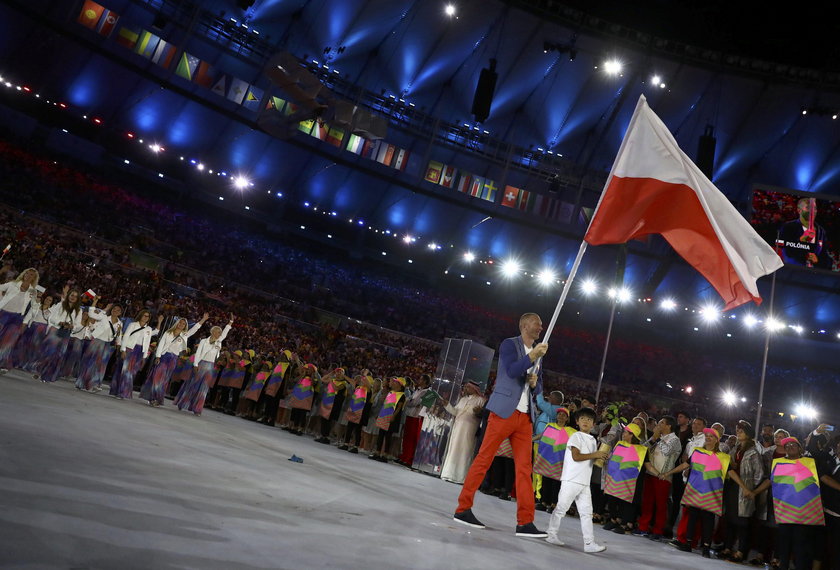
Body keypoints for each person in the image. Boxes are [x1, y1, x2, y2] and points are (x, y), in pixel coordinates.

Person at [453, 312, 549, 538]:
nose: (541, 328)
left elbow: (539, 387)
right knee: (484, 459)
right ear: (525, 325)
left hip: (525, 418)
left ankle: (525, 522)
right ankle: (462, 508)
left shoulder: (539, 355)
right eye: (538, 324)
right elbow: (512, 371)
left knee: (525, 470)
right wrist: (532, 355)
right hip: (503, 412)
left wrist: (535, 384)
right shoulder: (509, 345)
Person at [751, 437, 825, 570]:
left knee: (801, 545)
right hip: (785, 511)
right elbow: (770, 481)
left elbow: (818, 456)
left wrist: (816, 434)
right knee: (784, 544)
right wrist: (754, 492)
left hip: (804, 514)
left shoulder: (810, 463)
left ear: (800, 448)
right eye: (787, 445)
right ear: (784, 449)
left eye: (793, 444)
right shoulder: (778, 464)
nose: (790, 447)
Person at [544, 407, 609, 553]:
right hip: (571, 479)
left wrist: (600, 458)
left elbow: (590, 459)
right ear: (577, 421)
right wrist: (595, 454)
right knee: (561, 508)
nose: (586, 421)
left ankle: (589, 543)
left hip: (584, 482)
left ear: (593, 424)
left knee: (587, 513)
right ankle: (551, 534)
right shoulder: (575, 436)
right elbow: (576, 457)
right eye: (583, 418)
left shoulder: (592, 439)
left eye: (589, 419)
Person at [663, 428, 729, 558]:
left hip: (711, 494)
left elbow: (731, 473)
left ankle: (706, 547)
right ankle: (688, 543)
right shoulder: (698, 452)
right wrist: (669, 473)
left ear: (717, 440)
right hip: (695, 491)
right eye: (707, 436)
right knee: (692, 518)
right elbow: (684, 465)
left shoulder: (724, 458)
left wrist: (745, 488)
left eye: (711, 436)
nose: (708, 438)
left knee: (708, 521)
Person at [719, 420, 766, 563]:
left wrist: (749, 487)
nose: (738, 433)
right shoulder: (736, 449)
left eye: (741, 431)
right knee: (730, 518)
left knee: (742, 522)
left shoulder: (753, 452)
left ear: (748, 434)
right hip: (732, 487)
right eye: (737, 430)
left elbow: (759, 474)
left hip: (744, 490)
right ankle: (728, 547)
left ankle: (741, 552)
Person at [140, 313, 207, 407]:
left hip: (173, 359)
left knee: (164, 379)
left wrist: (203, 319)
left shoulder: (184, 335)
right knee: (157, 377)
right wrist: (158, 356)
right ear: (177, 323)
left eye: (183, 324)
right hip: (163, 357)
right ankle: (153, 397)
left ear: (185, 326)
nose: (181, 324)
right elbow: (161, 345)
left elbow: (195, 328)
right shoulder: (168, 332)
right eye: (180, 322)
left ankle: (157, 399)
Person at [174, 315, 234, 415]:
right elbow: (198, 354)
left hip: (210, 367)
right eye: (218, 332)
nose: (220, 334)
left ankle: (197, 408)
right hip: (201, 364)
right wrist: (196, 364)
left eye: (220, 332)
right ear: (213, 332)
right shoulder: (203, 341)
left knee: (204, 388)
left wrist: (230, 322)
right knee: (193, 384)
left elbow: (225, 333)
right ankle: (183, 403)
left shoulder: (219, 342)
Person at [633, 415, 681, 540]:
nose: (658, 425)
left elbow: (667, 451)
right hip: (651, 473)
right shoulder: (657, 437)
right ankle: (643, 527)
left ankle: (658, 530)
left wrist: (658, 438)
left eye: (661, 423)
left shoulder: (675, 439)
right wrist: (654, 438)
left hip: (663, 476)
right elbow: (644, 448)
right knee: (647, 502)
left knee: (660, 505)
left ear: (668, 426)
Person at [603, 422, 647, 535]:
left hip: (629, 481)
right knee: (612, 498)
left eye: (626, 432)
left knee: (626, 502)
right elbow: (612, 457)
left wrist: (660, 474)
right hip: (614, 478)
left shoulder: (641, 450)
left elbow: (647, 465)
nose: (623, 434)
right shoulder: (619, 444)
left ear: (632, 435)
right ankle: (614, 519)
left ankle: (626, 523)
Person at [439, 381, 486, 484]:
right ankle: (448, 474)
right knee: (454, 450)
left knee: (465, 451)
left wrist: (480, 412)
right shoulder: (463, 399)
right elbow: (456, 412)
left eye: (468, 387)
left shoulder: (481, 400)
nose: (465, 389)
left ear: (474, 388)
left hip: (469, 430)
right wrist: (447, 406)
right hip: (457, 428)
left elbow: (484, 416)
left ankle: (461, 478)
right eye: (465, 387)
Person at [111, 310, 162, 399]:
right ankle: (121, 393)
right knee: (126, 372)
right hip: (129, 349)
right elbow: (126, 336)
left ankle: (121, 391)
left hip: (140, 352)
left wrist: (160, 322)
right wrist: (123, 350)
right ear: (140, 316)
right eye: (144, 315)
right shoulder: (133, 325)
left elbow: (155, 332)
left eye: (147, 316)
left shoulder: (148, 329)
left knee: (132, 373)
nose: (145, 317)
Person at [75, 304, 123, 392]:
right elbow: (91, 314)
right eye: (114, 309)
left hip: (108, 345)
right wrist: (94, 303)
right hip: (97, 341)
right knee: (90, 362)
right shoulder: (104, 317)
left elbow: (119, 335)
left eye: (118, 310)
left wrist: (119, 344)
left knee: (102, 365)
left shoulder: (120, 323)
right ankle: (83, 383)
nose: (115, 311)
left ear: (120, 313)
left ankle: (95, 384)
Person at [0, 267, 39, 372]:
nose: (28, 276)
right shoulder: (12, 284)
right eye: (27, 273)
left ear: (33, 278)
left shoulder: (33, 291)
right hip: (3, 314)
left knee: (8, 342)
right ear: (23, 274)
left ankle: (2, 364)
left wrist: (25, 322)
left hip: (17, 318)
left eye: (31, 275)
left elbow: (33, 309)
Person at [776, 197, 829, 268]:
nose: (812, 211)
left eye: (815, 208)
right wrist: (801, 240)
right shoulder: (788, 226)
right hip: (793, 269)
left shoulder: (821, 231)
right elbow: (783, 248)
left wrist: (817, 260)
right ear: (799, 210)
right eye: (808, 208)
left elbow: (824, 255)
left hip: (813, 273)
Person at [398, 374, 431, 467]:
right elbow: (410, 401)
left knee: (412, 439)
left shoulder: (426, 392)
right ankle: (404, 456)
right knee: (406, 437)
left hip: (416, 417)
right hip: (410, 414)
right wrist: (410, 401)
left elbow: (415, 402)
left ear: (425, 381)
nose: (418, 380)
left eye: (420, 379)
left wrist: (410, 401)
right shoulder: (418, 390)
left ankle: (410, 459)